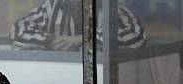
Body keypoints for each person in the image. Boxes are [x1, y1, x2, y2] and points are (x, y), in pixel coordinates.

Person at [11, 0, 145, 50]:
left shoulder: (111, 7)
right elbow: (18, 31)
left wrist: (85, 39)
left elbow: (137, 37)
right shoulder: (52, 7)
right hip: (56, 75)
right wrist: (50, 40)